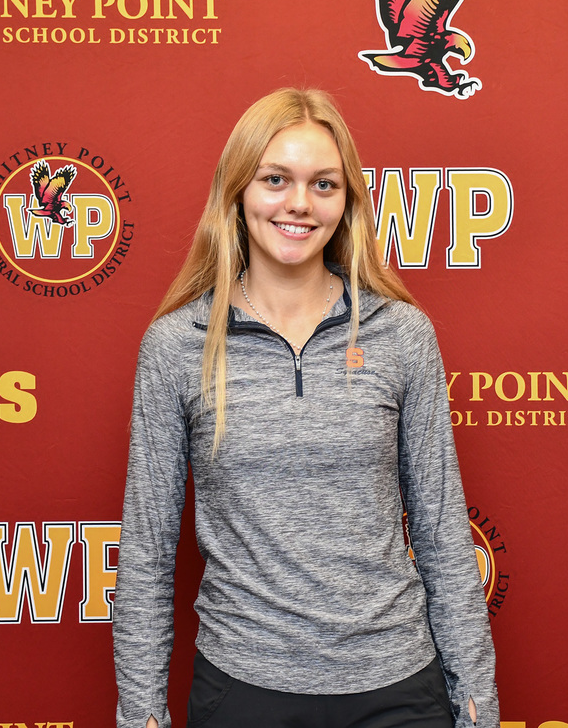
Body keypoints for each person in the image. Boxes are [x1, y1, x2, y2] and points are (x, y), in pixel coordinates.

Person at [113, 87, 499, 728]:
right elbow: (149, 553)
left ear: (347, 202)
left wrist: (476, 706)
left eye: (324, 184)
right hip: (243, 689)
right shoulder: (177, 345)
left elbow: (441, 535)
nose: (298, 203)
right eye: (275, 179)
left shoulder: (401, 334)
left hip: (397, 686)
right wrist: (141, 714)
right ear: (237, 192)